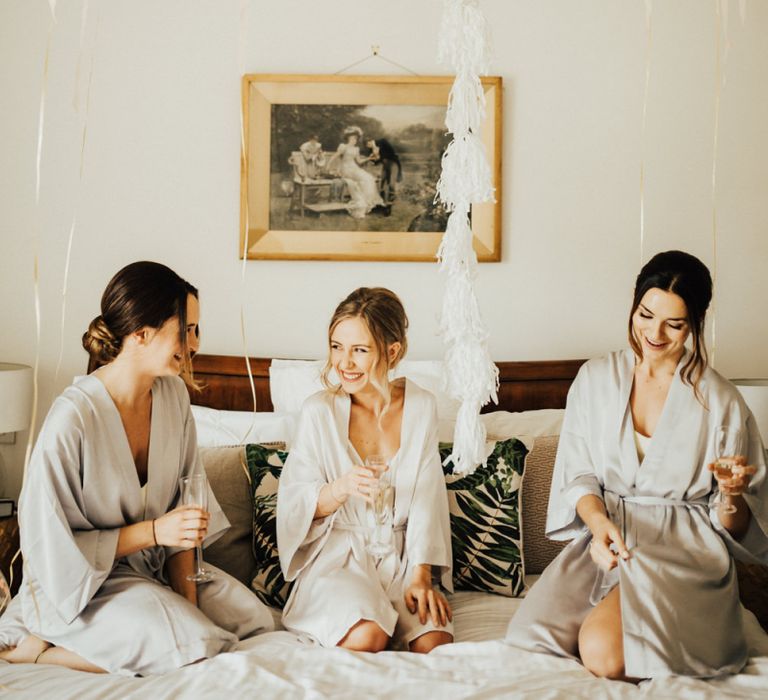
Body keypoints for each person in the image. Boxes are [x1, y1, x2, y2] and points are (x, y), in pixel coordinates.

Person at [0, 261, 273, 675]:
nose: (195, 343)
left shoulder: (174, 397)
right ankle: (38, 650)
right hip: (83, 586)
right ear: (141, 333)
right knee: (195, 644)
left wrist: (184, 604)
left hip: (156, 569)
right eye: (186, 329)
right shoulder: (73, 417)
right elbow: (50, 546)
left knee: (254, 622)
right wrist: (154, 534)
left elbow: (185, 519)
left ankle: (170, 634)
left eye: (197, 329)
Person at [505, 250, 766, 680]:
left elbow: (737, 527)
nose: (655, 334)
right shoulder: (595, 379)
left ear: (697, 322)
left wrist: (733, 494)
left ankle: (683, 628)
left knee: (604, 655)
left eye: (674, 324)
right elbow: (579, 474)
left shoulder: (720, 401)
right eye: (646, 314)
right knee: (533, 642)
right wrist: (597, 523)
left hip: (684, 552)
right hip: (607, 543)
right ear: (633, 302)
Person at [277, 287, 454, 652]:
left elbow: (427, 495)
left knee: (435, 641)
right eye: (336, 346)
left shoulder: (421, 406)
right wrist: (339, 489)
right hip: (339, 558)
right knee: (368, 635)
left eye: (359, 350)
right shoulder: (318, 412)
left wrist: (421, 575)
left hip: (403, 558)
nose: (344, 363)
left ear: (392, 351)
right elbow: (294, 502)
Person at [331, 126, 384, 219]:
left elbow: (359, 162)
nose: (355, 140)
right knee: (363, 178)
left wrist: (369, 158)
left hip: (354, 168)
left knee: (368, 178)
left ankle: (366, 202)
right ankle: (362, 203)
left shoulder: (356, 149)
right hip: (346, 169)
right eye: (353, 137)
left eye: (356, 138)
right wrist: (328, 166)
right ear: (348, 138)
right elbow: (334, 156)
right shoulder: (343, 147)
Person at [365, 137, 402, 202]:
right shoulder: (371, 150)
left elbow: (391, 152)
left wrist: (378, 156)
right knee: (381, 183)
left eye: (368, 144)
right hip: (385, 166)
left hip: (393, 163)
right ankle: (382, 201)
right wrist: (372, 159)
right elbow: (376, 162)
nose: (368, 147)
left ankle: (390, 203)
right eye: (367, 146)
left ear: (370, 141)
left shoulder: (382, 142)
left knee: (391, 184)